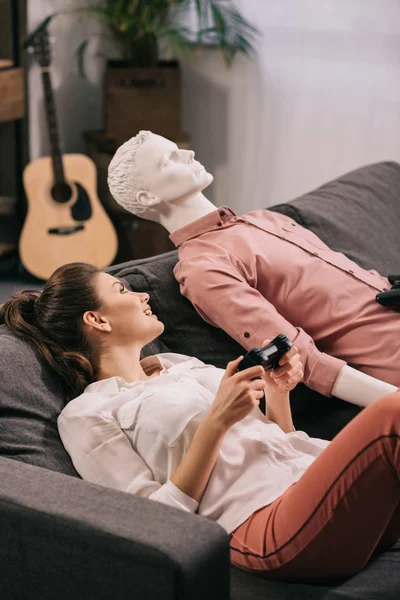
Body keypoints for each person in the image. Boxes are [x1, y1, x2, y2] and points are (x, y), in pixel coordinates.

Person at [1, 261, 400, 583]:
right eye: (122, 291)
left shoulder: (179, 365)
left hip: (312, 489)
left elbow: (275, 443)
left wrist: (278, 392)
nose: (141, 294)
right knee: (390, 413)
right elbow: (149, 522)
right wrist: (216, 422)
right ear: (97, 320)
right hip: (265, 525)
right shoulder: (89, 415)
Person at [107, 131, 400, 409]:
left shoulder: (266, 219)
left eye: (178, 148)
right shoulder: (203, 268)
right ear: (148, 198)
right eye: (169, 160)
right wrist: (392, 404)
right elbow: (299, 359)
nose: (190, 153)